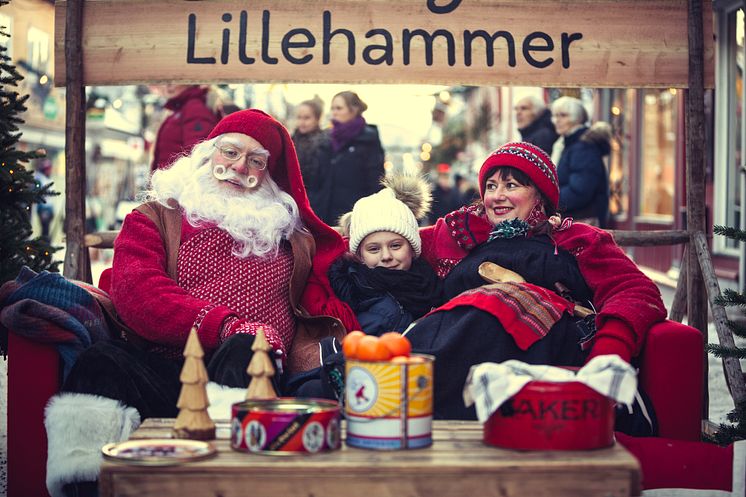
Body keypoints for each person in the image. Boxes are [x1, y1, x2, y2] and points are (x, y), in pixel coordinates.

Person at [44, 109, 360, 497]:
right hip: (166, 368)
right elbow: (136, 291)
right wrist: (222, 324)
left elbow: (368, 255)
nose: (239, 166)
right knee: (100, 362)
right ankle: (86, 483)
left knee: (248, 347)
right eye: (230, 152)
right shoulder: (155, 218)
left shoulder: (290, 234)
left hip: (253, 374)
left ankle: (223, 483)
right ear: (208, 153)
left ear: (268, 175)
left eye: (256, 161)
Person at [407, 141, 666, 420]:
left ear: (540, 195)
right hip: (456, 335)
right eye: (491, 187)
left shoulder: (575, 238)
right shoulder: (460, 232)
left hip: (541, 343)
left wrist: (608, 352)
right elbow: (390, 238)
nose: (496, 196)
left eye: (511, 185)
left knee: (500, 301)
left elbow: (635, 290)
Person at [329, 175, 441, 336]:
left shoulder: (431, 284)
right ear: (360, 256)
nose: (386, 256)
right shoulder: (358, 296)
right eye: (374, 249)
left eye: (395, 246)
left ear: (412, 247)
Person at [314, 91, 385, 226]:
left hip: (355, 216)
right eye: (332, 108)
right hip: (325, 215)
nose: (334, 112)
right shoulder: (326, 139)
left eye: (339, 108)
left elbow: (376, 181)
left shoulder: (368, 140)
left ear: (354, 110)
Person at [551, 96, 612, 227]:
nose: (557, 120)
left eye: (563, 115)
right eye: (555, 116)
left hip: (583, 221)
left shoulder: (583, 147)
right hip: (576, 218)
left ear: (577, 118)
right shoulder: (568, 144)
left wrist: (549, 201)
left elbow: (580, 191)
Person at [150, 84, 220, 171]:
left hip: (179, 182)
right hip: (171, 180)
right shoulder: (180, 108)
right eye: (165, 81)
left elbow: (197, 155)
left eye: (175, 80)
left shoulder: (194, 108)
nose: (169, 86)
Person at [291, 97, 327, 216]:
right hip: (293, 200)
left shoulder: (324, 143)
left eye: (307, 118)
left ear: (317, 119)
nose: (302, 122)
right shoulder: (291, 140)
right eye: (299, 117)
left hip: (315, 202)